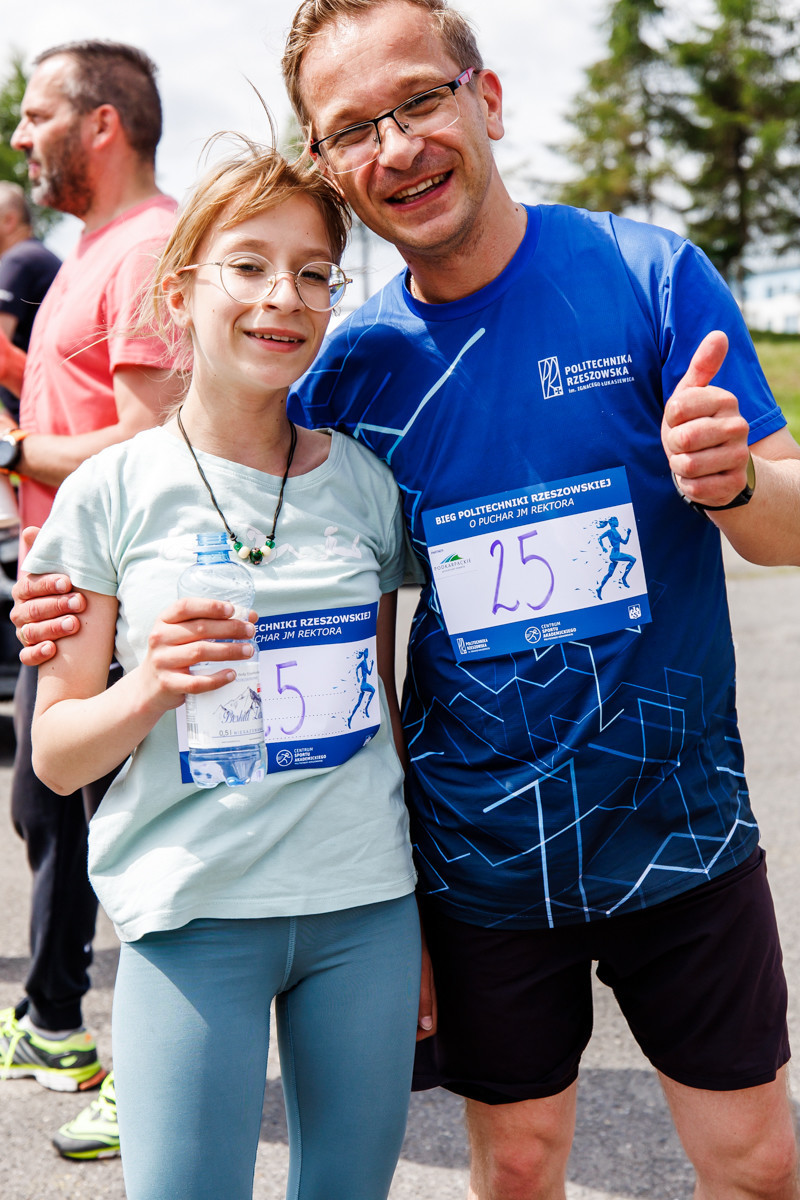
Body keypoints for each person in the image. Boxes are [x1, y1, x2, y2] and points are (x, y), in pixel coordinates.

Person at [14, 1, 800, 1197]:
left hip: (676, 830)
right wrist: (82, 600)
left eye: (419, 100)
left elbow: (780, 525)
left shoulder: (648, 276)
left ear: (485, 100)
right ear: (327, 160)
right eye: (351, 128)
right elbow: (281, 559)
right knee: (517, 1165)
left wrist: (734, 478)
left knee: (754, 1161)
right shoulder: (346, 368)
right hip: (478, 857)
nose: (394, 146)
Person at [20, 137, 420, 1200]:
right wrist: (148, 685)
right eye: (248, 265)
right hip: (189, 913)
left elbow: (380, 705)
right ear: (180, 290)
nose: (281, 296)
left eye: (312, 273)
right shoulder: (108, 493)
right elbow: (56, 756)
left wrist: (423, 920)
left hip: (365, 909)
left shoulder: (367, 488)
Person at [0, 39, 177, 1113]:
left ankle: (141, 1068)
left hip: (112, 600)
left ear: (101, 123)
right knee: (46, 809)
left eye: (36, 114)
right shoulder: (89, 248)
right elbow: (79, 396)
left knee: (123, 831)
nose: (21, 135)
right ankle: (57, 1021)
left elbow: (145, 436)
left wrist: (14, 453)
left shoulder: (150, 247)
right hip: (59, 590)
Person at [0, 182, 60, 422]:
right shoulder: (40, 256)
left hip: (38, 417)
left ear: (9, 221)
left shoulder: (18, 260)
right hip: (48, 410)